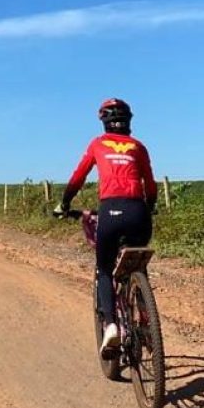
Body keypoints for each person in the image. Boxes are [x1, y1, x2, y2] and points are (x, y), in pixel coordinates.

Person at [55, 98, 157, 358]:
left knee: (104, 269)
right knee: (137, 262)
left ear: (104, 121)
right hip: (138, 212)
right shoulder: (139, 146)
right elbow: (150, 184)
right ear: (129, 121)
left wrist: (64, 203)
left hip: (110, 211)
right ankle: (145, 317)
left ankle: (111, 324)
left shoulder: (98, 144)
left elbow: (78, 176)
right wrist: (150, 206)